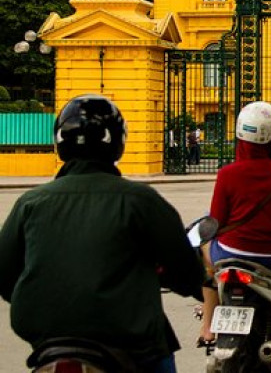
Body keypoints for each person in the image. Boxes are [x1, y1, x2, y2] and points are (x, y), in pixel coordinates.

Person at [0, 94, 205, 372]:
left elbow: (5, 274)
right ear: (118, 143)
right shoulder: (140, 200)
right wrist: (196, 287)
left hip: (47, 340)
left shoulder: (30, 202)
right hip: (127, 340)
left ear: (59, 142)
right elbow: (184, 269)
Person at [198, 101, 271, 348]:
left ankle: (207, 327)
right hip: (270, 256)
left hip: (229, 253)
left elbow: (216, 220)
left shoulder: (227, 173)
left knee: (205, 252)